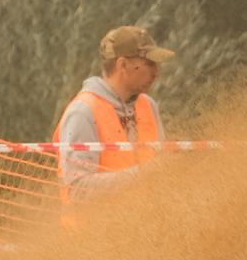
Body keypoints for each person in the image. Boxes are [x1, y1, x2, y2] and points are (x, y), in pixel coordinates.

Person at [54, 25, 175, 201]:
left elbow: (160, 172)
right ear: (123, 65)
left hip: (145, 226)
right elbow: (77, 191)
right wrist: (143, 174)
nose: (156, 73)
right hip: (93, 228)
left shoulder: (148, 105)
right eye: (149, 64)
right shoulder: (82, 112)